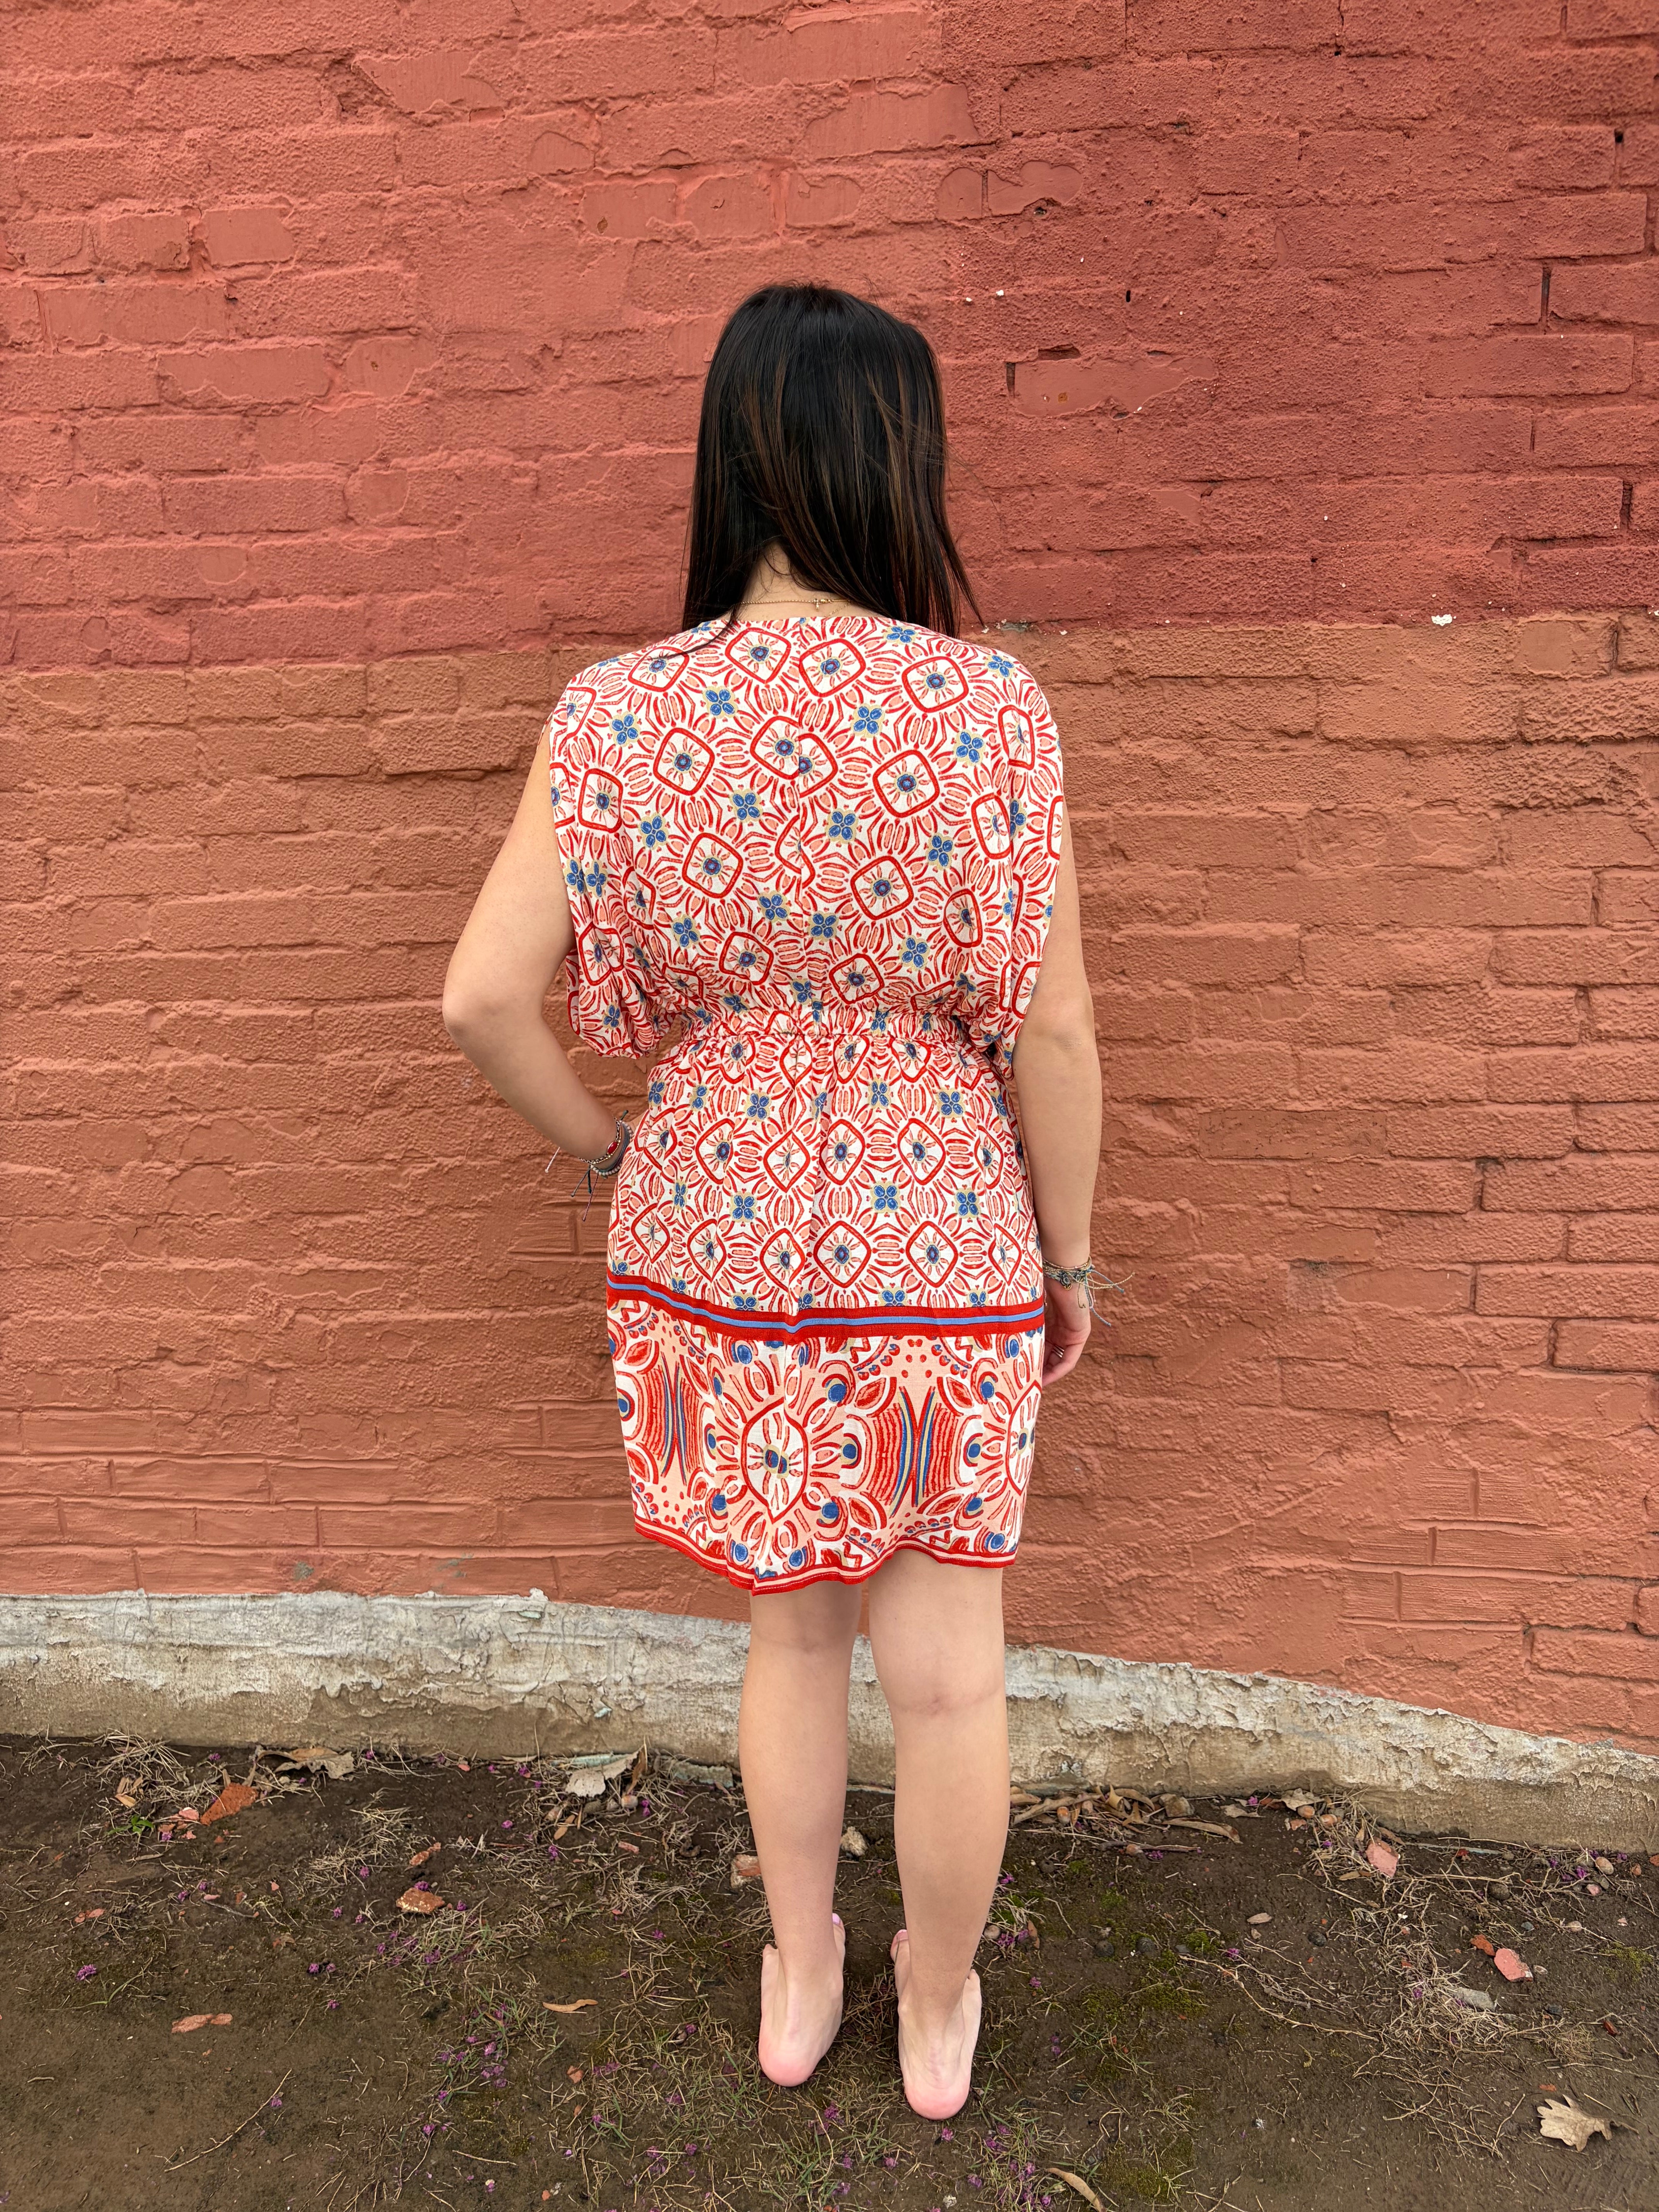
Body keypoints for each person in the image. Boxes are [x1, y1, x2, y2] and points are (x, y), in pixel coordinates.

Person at [443, 283, 1103, 2119]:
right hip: (943, 1232)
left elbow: (480, 998)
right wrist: (1064, 1253)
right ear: (899, 460)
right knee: (951, 1671)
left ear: (732, 458)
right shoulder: (989, 712)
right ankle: (939, 2002)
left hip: (710, 1230)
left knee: (789, 1631)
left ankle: (802, 1971)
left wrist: (605, 1149)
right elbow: (1050, 1022)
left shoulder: (613, 719)